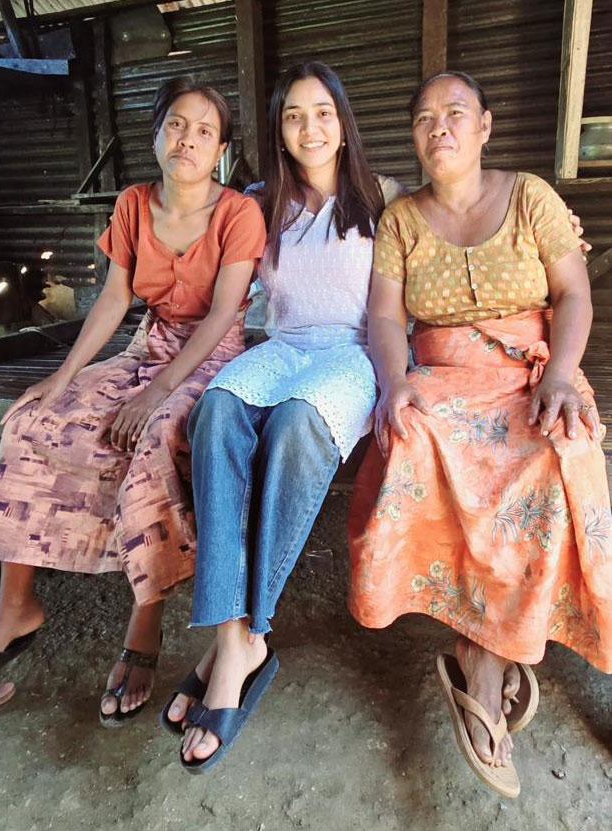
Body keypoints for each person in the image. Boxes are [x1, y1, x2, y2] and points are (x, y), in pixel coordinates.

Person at [348, 71, 611, 798]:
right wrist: (395, 378)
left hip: (532, 371)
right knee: (411, 436)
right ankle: (486, 657)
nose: (440, 127)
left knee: (563, 453)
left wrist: (560, 373)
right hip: (441, 375)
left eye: (455, 112)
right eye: (425, 116)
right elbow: (382, 315)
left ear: (485, 125)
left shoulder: (529, 196)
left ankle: (484, 655)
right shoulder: (399, 219)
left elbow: (572, 293)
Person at [0, 76, 266, 726]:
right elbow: (115, 300)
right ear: (155, 134)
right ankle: (15, 604)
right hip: (147, 347)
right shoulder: (134, 204)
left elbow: (225, 312)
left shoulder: (237, 214)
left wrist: (157, 393)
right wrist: (62, 378)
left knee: (152, 441)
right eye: (176, 124)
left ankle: (144, 624)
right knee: (33, 423)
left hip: (211, 358)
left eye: (204, 130)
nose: (188, 139)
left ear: (222, 148)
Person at [160, 60, 388, 771]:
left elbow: (461, 223)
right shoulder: (256, 203)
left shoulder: (387, 200)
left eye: (322, 112)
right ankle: (236, 637)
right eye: (293, 115)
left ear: (343, 124)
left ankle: (244, 638)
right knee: (218, 411)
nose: (309, 127)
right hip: (283, 346)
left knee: (292, 427)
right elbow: (179, 216)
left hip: (353, 355)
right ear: (278, 131)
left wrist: (553, 227)